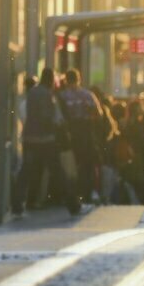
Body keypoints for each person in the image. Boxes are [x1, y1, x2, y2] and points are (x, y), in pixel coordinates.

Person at [12, 68, 81, 217]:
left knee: (26, 171)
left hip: (29, 138)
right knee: (58, 171)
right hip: (46, 139)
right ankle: (73, 204)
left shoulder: (31, 93)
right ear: (50, 80)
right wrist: (56, 127)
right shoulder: (49, 95)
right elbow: (52, 117)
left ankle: (16, 204)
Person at [57, 69, 103, 203]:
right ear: (79, 79)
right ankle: (86, 193)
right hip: (86, 131)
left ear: (66, 80)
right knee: (87, 164)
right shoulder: (88, 95)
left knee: (70, 165)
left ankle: (72, 194)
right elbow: (99, 114)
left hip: (69, 133)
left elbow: (59, 117)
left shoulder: (62, 96)